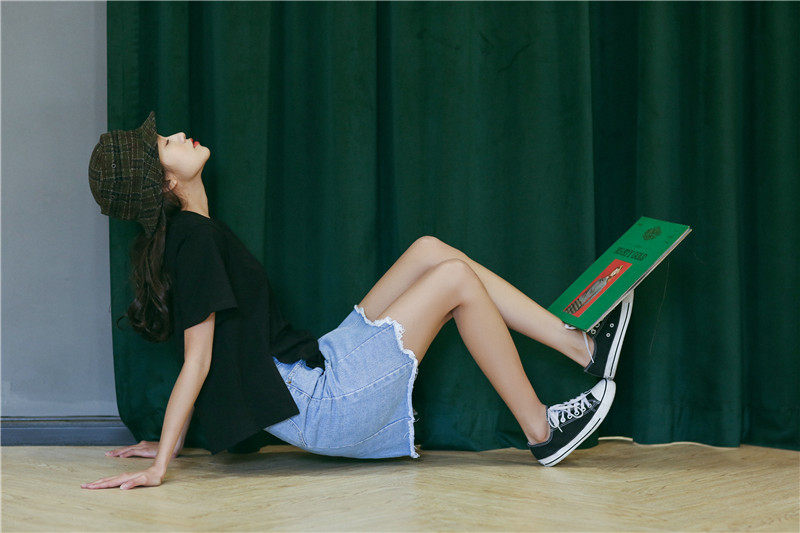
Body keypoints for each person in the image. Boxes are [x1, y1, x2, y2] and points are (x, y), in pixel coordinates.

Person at [82, 111, 634, 490]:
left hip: (316, 368)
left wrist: (172, 442)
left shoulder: (198, 232)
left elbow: (219, 352)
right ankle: (542, 431)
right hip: (320, 405)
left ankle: (582, 349)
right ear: (165, 183)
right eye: (166, 144)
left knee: (430, 251)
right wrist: (162, 462)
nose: (180, 135)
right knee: (455, 280)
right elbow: (198, 358)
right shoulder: (195, 240)